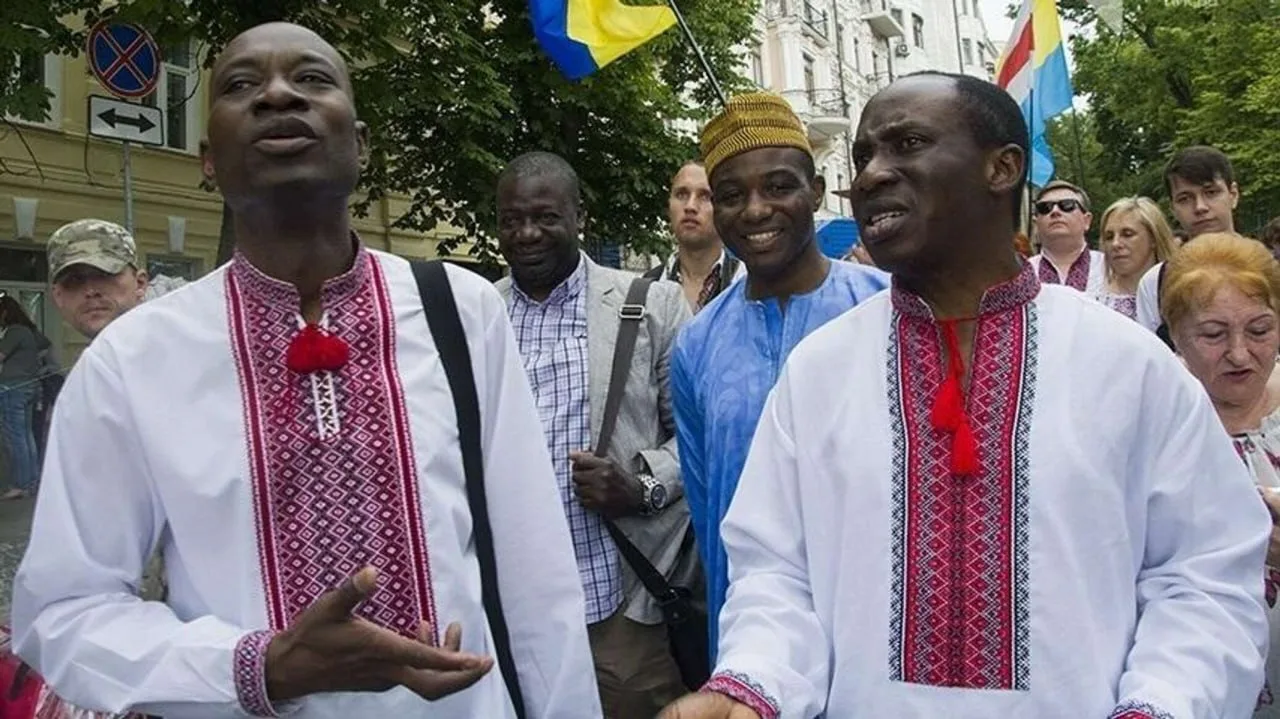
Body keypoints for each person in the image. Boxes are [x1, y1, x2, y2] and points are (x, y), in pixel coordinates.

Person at [11, 22, 599, 718]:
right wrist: (260, 667)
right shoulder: (131, 360)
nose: (278, 95)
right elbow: (64, 610)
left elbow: (537, 576)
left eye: (312, 79)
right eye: (240, 85)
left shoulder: (461, 311)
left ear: (361, 143)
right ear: (209, 159)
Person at [660, 71, 1270, 719]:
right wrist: (753, 685)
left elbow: (1204, 581)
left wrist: (1161, 704)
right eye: (863, 157)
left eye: (907, 144)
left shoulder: (1129, 366)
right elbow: (775, 575)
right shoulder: (819, 372)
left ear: (1002, 168)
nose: (871, 175)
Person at [670, 90, 889, 656]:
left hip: (879, 626)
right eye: (731, 195)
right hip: (754, 639)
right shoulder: (697, 343)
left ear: (814, 191)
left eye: (777, 186)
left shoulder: (887, 308)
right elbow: (707, 507)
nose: (755, 210)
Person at [494, 151, 695, 717]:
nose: (527, 234)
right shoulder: (478, 312)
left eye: (545, 217)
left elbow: (698, 439)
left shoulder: (649, 305)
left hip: (619, 600)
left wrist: (641, 486)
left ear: (579, 216)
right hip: (513, 602)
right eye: (511, 220)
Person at [1162, 233, 1280, 717]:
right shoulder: (1153, 421)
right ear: (1175, 334)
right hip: (1195, 683)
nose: (1240, 353)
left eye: (1260, 330)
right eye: (1213, 335)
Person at [1135, 146, 1240, 334]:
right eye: (1185, 199)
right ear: (1173, 208)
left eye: (1211, 193)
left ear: (1233, 195)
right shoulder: (1156, 283)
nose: (1200, 207)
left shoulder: (1272, 268)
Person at [646, 161, 744, 312]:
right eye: (681, 194)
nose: (690, 206)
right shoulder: (645, 290)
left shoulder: (751, 286)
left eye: (705, 196)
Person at [46, 220, 149, 341]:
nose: (91, 291)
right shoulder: (98, 354)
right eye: (74, 280)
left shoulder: (166, 345)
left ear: (140, 284)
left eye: (104, 275)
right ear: (58, 296)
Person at [1092, 197, 1177, 320]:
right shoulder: (1092, 299)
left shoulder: (1179, 293)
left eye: (1127, 234)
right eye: (1109, 237)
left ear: (1154, 238)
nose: (1116, 244)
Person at [0, 295, 51, 500]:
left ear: (5, 313)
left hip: (13, 387)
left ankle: (20, 485)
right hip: (30, 386)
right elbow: (45, 346)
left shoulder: (14, 331)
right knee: (26, 436)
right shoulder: (30, 331)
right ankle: (31, 482)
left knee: (15, 438)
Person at [1027, 179, 1104, 292]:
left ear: (1087, 220)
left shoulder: (1111, 268)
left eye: (1067, 205)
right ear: (1036, 224)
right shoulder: (1022, 274)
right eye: (1045, 207)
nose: (1055, 211)